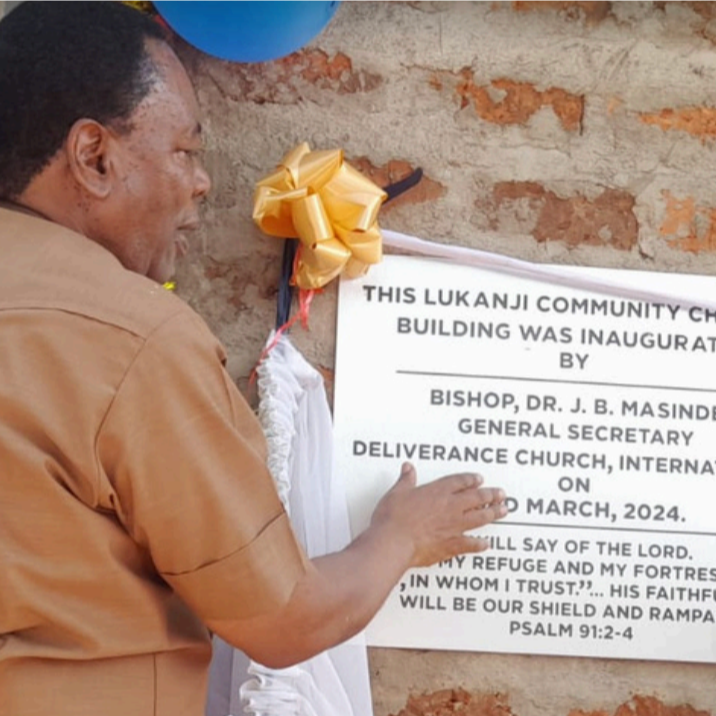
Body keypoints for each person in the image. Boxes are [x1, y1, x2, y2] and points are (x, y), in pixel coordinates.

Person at [0, 1, 508, 714]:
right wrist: (403, 538)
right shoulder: (128, 337)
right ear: (94, 157)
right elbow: (282, 619)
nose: (201, 182)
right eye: (185, 150)